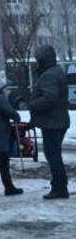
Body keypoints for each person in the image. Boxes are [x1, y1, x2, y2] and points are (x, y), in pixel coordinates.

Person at [29, 44, 71, 199]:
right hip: (57, 121)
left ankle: (59, 188)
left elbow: (50, 97)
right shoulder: (56, 72)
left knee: (53, 155)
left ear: (42, 60)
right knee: (54, 155)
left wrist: (33, 104)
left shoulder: (48, 76)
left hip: (52, 123)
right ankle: (60, 185)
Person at [0, 76, 23, 197]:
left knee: (3, 161)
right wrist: (17, 117)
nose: (7, 90)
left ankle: (9, 186)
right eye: (5, 88)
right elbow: (11, 112)